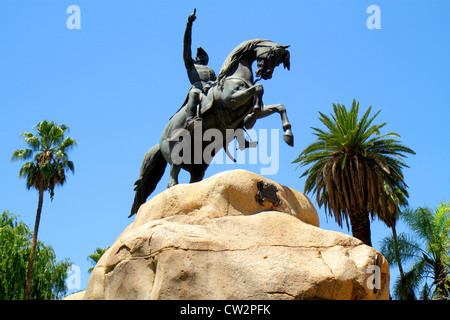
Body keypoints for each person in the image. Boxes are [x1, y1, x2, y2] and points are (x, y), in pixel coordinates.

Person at [183, 9, 216, 129]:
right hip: (197, 88)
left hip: (210, 89)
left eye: (203, 55)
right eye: (199, 55)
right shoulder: (191, 65)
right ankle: (190, 119)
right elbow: (187, 45)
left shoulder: (211, 71)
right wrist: (189, 24)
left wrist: (212, 84)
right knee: (194, 93)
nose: (200, 57)